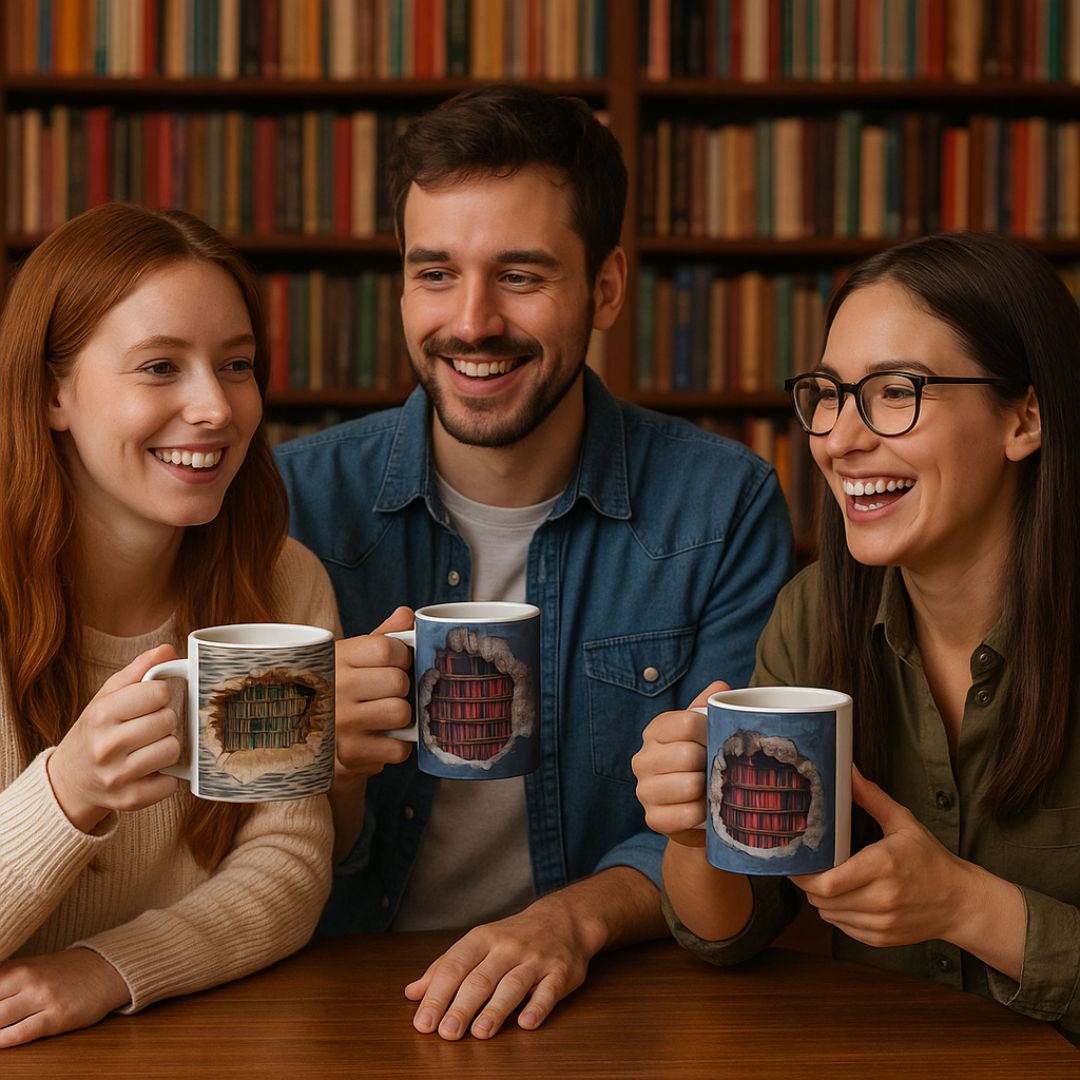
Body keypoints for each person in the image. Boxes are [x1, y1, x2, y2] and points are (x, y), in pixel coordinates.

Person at [276, 84, 793, 1041]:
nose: (471, 322)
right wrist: (321, 766)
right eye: (435, 273)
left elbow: (719, 826)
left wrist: (571, 921)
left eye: (520, 275)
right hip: (332, 996)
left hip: (604, 1008)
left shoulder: (724, 506)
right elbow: (221, 825)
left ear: (605, 288)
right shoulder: (289, 503)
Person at [633, 230, 1080, 1046]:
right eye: (829, 394)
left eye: (896, 391)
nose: (840, 439)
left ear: (1025, 417)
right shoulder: (813, 614)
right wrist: (696, 833)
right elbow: (729, 934)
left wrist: (966, 905)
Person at [0, 203, 338, 1049]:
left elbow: (287, 868)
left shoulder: (280, 584)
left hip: (200, 1042)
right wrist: (68, 792)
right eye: (160, 367)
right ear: (52, 394)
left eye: (236, 365)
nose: (215, 409)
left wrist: (109, 970)